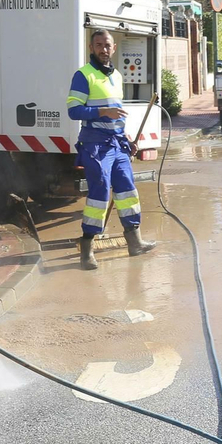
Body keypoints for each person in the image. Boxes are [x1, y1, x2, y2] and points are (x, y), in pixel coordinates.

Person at [69, 28, 155, 271]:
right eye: (98, 45)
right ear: (91, 48)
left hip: (117, 143)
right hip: (95, 144)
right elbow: (73, 111)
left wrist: (126, 137)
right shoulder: (83, 75)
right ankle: (87, 249)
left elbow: (116, 113)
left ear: (114, 48)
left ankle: (134, 242)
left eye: (107, 45)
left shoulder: (117, 75)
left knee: (127, 190)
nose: (103, 49)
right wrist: (101, 112)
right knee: (99, 193)